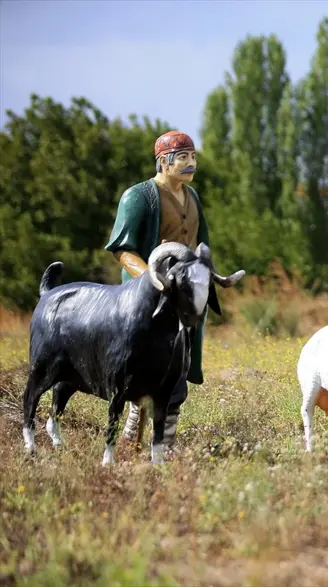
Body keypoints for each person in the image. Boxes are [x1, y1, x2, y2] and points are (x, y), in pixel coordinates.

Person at [105, 130, 220, 453]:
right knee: (139, 364)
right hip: (146, 297)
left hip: (184, 298)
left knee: (176, 367)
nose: (190, 163)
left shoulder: (193, 197)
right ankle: (129, 431)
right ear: (163, 162)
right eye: (182, 157)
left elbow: (201, 245)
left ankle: (166, 440)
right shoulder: (139, 197)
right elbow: (122, 250)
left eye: (193, 157)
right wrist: (151, 281)